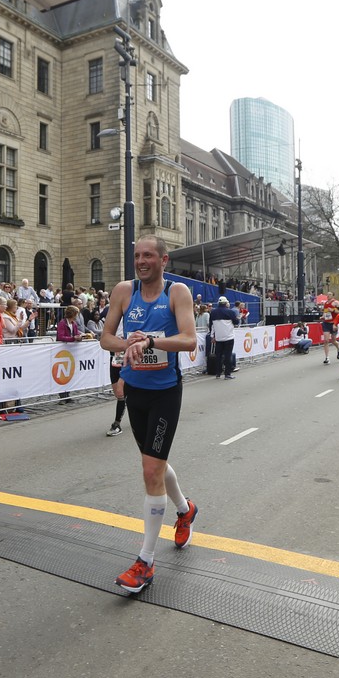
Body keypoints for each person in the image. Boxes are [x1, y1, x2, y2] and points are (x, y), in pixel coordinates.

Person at [100, 236, 199, 593]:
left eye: (148, 256)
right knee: (152, 463)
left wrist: (151, 342)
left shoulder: (177, 293)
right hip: (136, 390)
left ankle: (145, 561)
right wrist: (128, 343)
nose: (141, 261)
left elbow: (189, 340)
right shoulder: (124, 292)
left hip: (165, 393)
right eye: (137, 256)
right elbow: (105, 338)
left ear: (163, 260)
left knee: (151, 470)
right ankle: (185, 510)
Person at [209, 296, 239, 379]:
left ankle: (218, 373)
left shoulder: (213, 313)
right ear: (226, 303)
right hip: (228, 337)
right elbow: (236, 322)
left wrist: (212, 336)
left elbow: (211, 325)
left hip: (218, 337)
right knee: (227, 355)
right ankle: (227, 374)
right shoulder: (230, 312)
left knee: (218, 356)